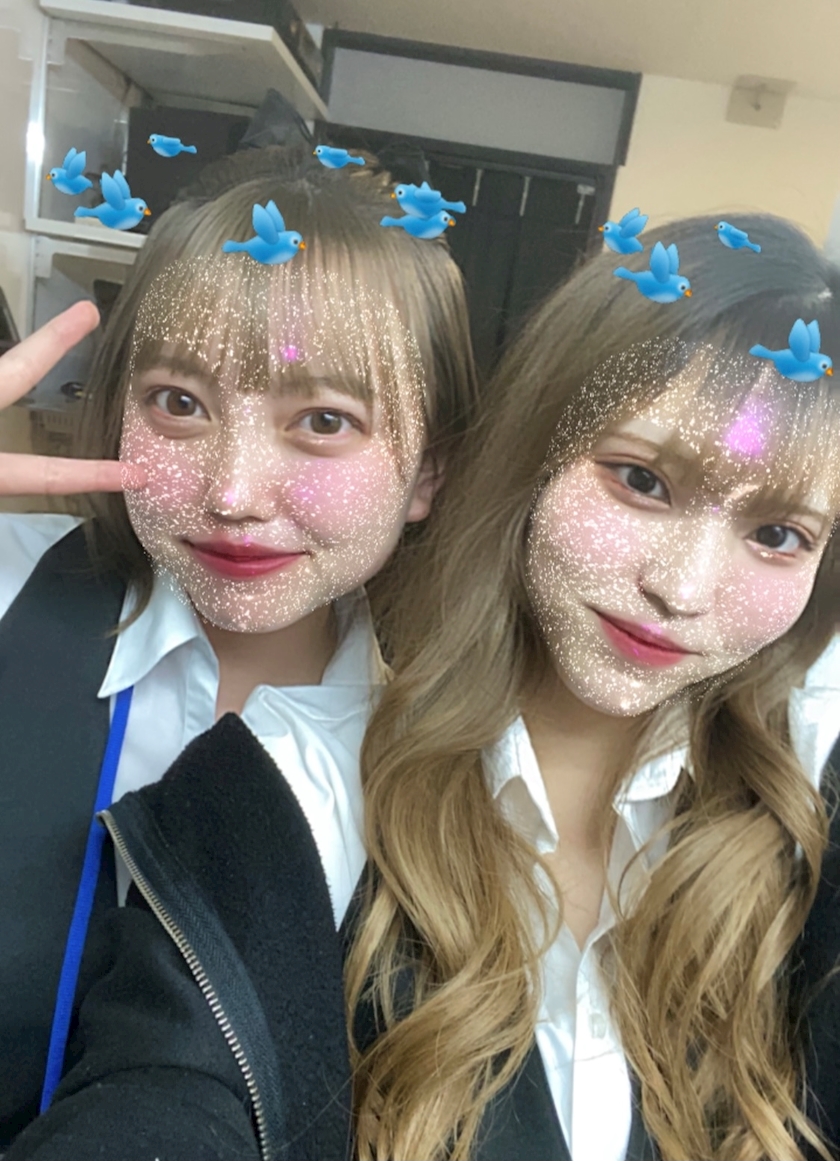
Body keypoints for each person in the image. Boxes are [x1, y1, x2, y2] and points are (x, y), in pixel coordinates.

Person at [6, 213, 840, 1161]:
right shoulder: (295, 794)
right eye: (641, 480)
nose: (681, 589)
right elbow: (163, 1094)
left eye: (780, 534)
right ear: (531, 447)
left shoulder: (802, 823)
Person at [0, 144, 478, 1151]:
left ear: (429, 471)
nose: (233, 493)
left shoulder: (456, 754)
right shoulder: (11, 589)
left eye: (324, 420)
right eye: (179, 402)